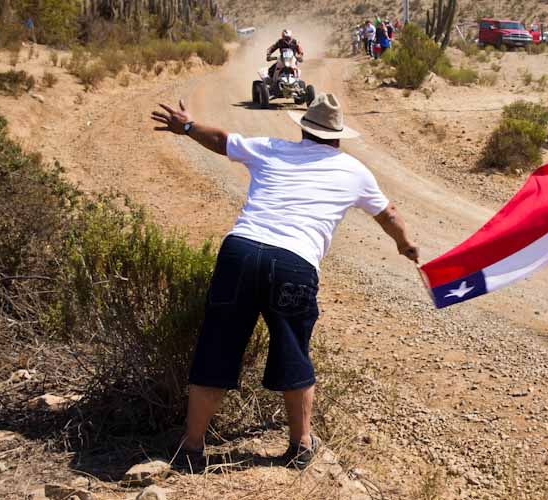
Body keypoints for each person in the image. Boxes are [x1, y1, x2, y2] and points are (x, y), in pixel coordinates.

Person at [150, 93, 420, 471]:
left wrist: (188, 126)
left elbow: (221, 140)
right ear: (338, 137)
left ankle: (191, 448)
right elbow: (388, 213)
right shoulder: (354, 170)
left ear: (304, 130)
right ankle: (300, 447)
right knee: (293, 352)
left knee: (217, 346)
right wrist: (405, 245)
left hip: (240, 252)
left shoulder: (271, 148)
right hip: (294, 261)